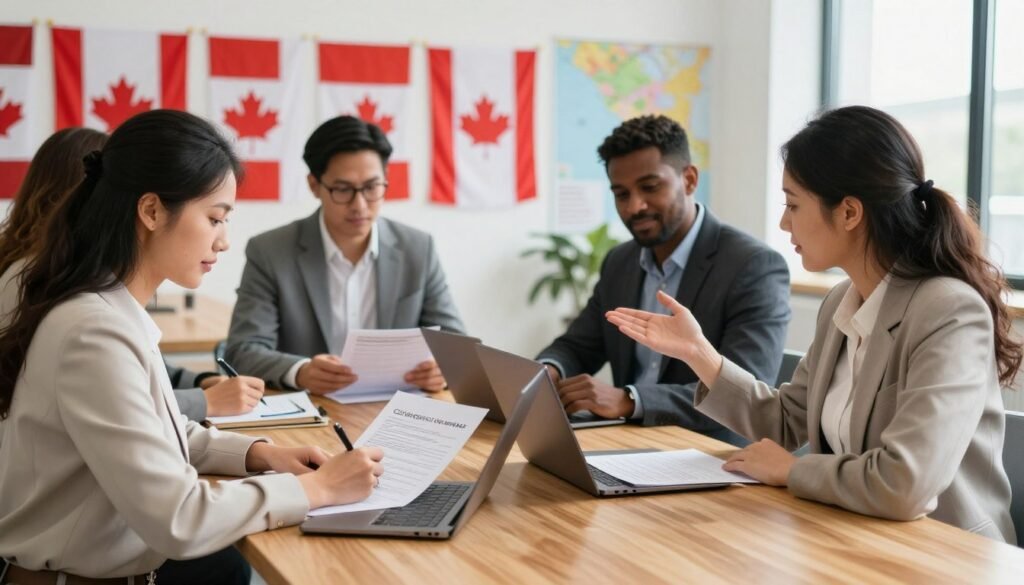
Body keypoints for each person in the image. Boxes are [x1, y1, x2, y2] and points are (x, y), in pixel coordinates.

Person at [0, 110, 385, 583]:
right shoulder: (93, 332)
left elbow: (152, 432)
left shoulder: (107, 313)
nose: (223, 242)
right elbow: (179, 518)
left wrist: (258, 454)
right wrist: (315, 489)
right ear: (152, 211)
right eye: (215, 218)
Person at [607, 105, 1018, 543]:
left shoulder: (949, 312)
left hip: (947, 555)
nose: (784, 222)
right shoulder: (842, 301)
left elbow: (906, 484)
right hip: (854, 539)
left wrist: (794, 470)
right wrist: (698, 352)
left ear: (849, 213)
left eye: (793, 204)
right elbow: (785, 421)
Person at [536, 115, 790, 445]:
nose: (634, 206)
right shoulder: (620, 261)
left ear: (689, 180)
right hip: (627, 444)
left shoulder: (753, 266)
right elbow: (579, 346)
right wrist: (546, 372)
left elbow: (746, 389)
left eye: (650, 187)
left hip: (712, 453)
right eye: (621, 194)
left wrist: (629, 400)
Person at [0, 127, 262, 422]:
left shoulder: (72, 272)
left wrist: (199, 382)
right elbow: (112, 398)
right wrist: (203, 400)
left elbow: (136, 370)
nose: (223, 241)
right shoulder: (61, 290)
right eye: (214, 219)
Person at [226, 115, 465, 395]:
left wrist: (442, 368)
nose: (359, 205)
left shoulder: (417, 248)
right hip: (311, 412)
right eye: (342, 189)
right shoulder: (270, 251)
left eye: (372, 187)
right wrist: (300, 371)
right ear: (314, 185)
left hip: (398, 410)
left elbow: (457, 346)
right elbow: (243, 350)